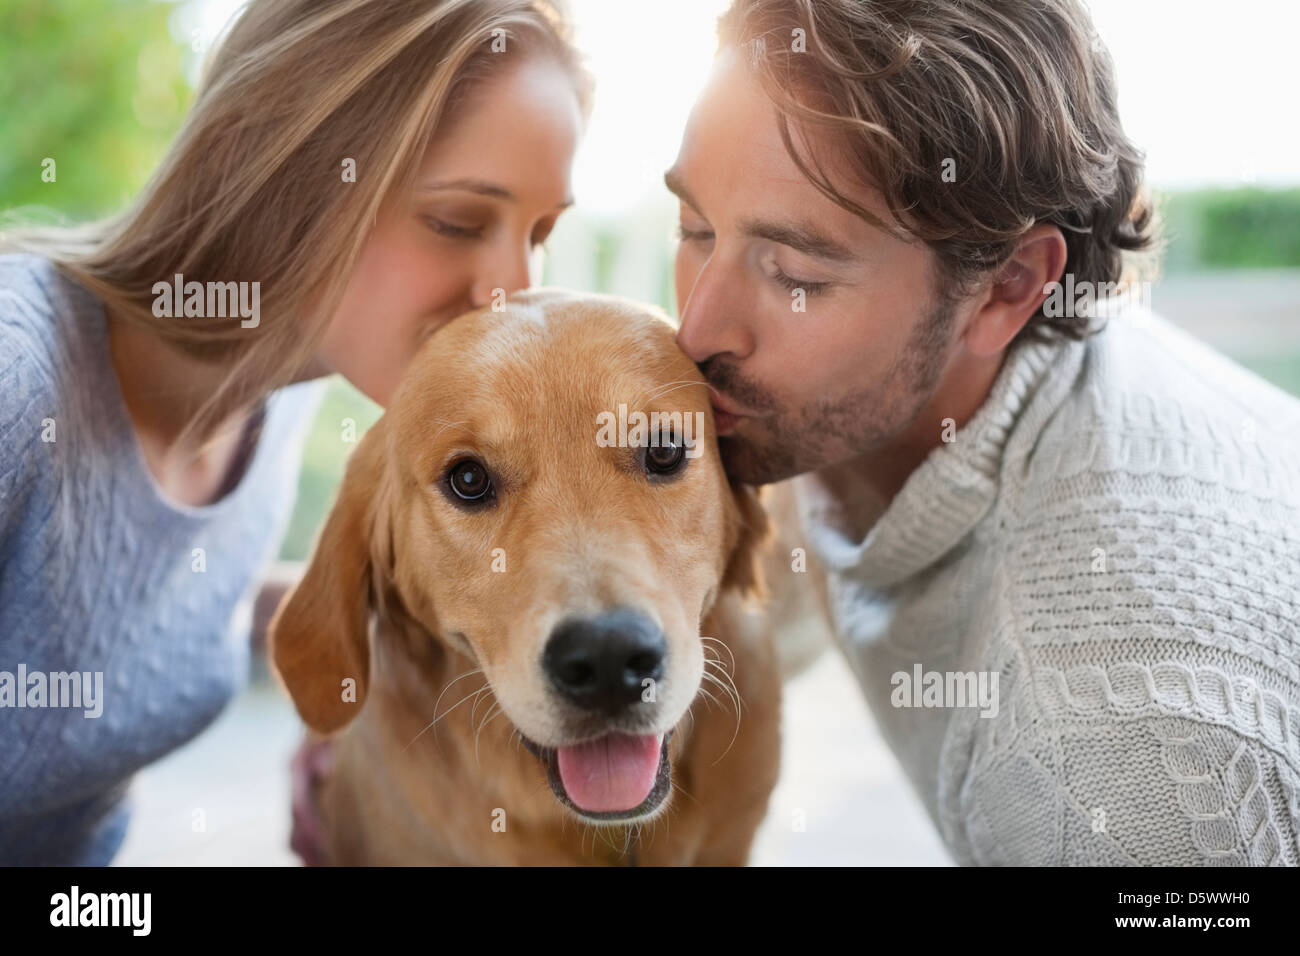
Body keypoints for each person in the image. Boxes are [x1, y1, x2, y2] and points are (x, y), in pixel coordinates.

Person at [664, 0, 1300, 865]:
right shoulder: (838, 406)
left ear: (1008, 287)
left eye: (795, 273)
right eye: (695, 228)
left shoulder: (1106, 765)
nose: (697, 330)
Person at [0, 0, 591, 865]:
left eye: (539, 234)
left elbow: (146, 595)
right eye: (458, 222)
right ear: (261, 159)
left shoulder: (289, 395)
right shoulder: (20, 381)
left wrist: (354, 660)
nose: (511, 289)